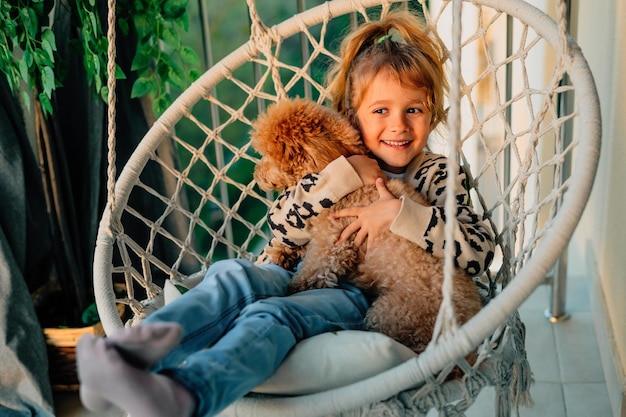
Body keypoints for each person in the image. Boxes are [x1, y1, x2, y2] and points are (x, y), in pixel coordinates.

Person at [76, 10, 495, 417]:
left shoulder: (439, 173)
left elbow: (477, 251)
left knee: (273, 314)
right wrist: (343, 177)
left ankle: (184, 395)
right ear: (353, 115)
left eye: (414, 110)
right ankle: (130, 354)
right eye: (381, 110)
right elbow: (284, 228)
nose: (398, 125)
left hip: (360, 296)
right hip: (301, 268)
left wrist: (397, 213)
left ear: (433, 111)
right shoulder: (333, 159)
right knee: (235, 275)